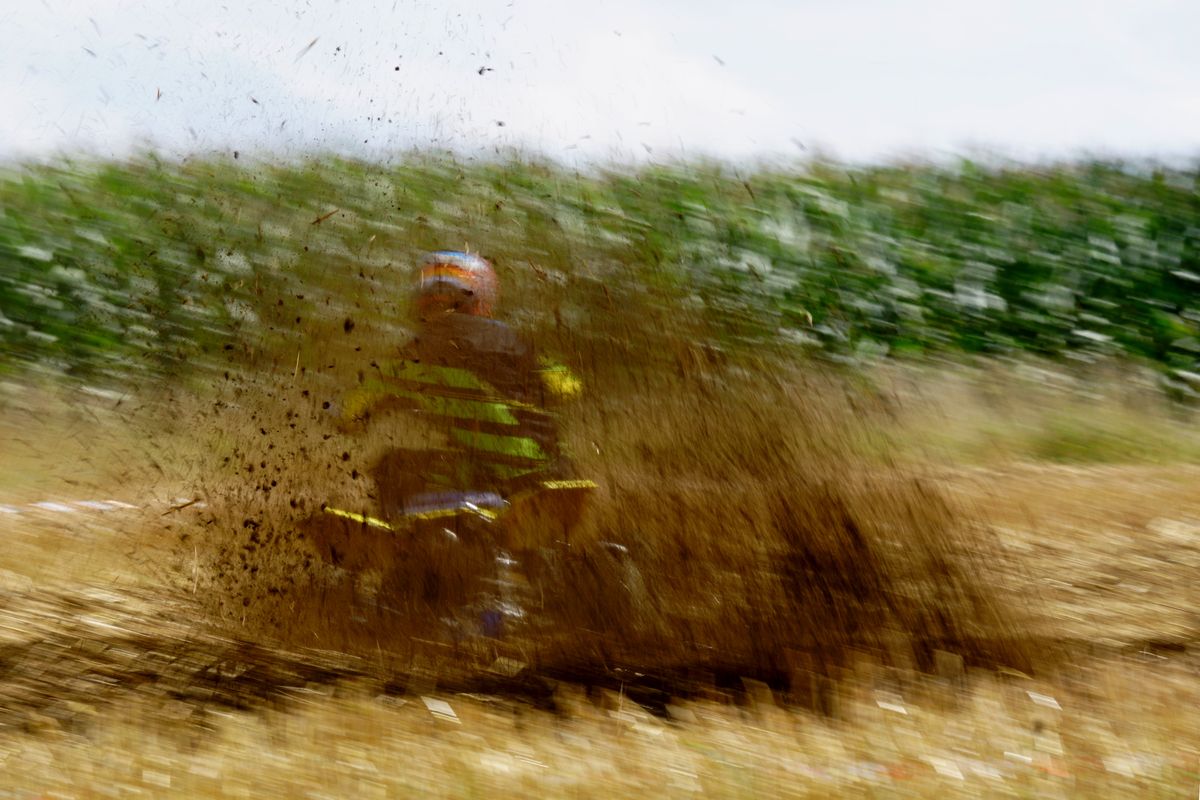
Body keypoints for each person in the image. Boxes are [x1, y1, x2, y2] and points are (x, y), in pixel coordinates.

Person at [340, 250, 587, 542]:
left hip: (487, 478)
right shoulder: (513, 340)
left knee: (394, 465)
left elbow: (356, 409)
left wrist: (347, 417)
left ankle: (410, 539)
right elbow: (568, 388)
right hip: (550, 478)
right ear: (479, 297)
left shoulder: (413, 354)